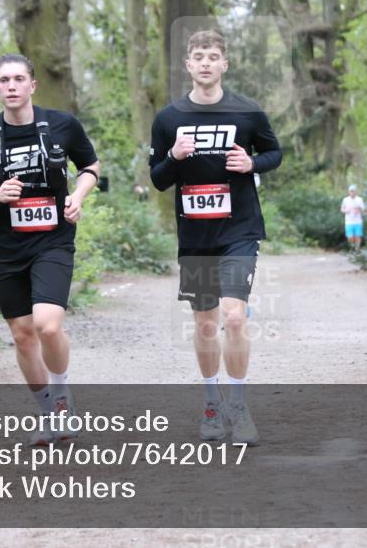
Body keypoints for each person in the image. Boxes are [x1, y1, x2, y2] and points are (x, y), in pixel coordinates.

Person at [149, 30, 282, 445]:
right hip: (195, 235)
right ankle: (211, 403)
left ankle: (238, 406)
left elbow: (274, 153)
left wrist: (253, 162)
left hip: (239, 230)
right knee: (206, 326)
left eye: (213, 56)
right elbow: (157, 179)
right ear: (187, 65)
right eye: (198, 56)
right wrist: (174, 157)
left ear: (225, 64)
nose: (205, 63)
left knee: (234, 316)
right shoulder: (168, 119)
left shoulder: (248, 112)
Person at [0, 54, 100, 446]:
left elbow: (91, 166)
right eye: (3, 80)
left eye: (19, 79)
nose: (11, 86)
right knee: (23, 335)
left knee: (47, 325)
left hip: (53, 239)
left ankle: (62, 398)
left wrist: (79, 195)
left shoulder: (62, 125)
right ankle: (47, 413)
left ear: (32, 85)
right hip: (6, 249)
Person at [340, 185, 367, 251]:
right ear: (349, 192)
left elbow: (363, 209)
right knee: (350, 237)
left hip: (358, 221)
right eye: (351, 191)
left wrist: (358, 210)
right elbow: (342, 209)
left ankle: (357, 250)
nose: (352, 193)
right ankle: (352, 248)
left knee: (358, 236)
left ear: (355, 192)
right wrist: (346, 211)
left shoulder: (359, 199)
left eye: (353, 191)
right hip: (349, 221)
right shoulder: (345, 200)